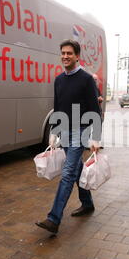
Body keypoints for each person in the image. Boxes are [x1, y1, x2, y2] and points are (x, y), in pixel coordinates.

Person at [35, 40, 102, 234]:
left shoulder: (86, 79)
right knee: (76, 168)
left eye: (69, 53)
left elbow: (95, 110)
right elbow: (58, 108)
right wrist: (54, 132)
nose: (65, 56)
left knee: (68, 173)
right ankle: (87, 203)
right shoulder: (59, 80)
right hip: (64, 129)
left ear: (77, 56)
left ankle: (53, 219)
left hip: (80, 131)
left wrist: (95, 138)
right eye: (63, 53)